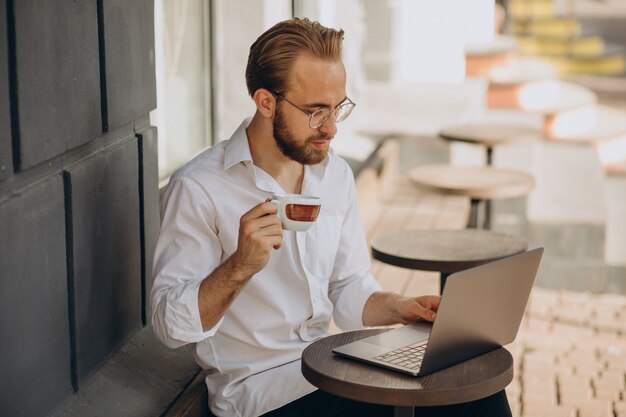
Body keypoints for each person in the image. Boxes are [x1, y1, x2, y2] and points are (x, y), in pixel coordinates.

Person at [151, 17, 512, 417]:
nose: (332, 128)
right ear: (266, 101)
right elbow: (169, 327)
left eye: (338, 108)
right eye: (315, 111)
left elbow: (346, 285)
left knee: (473, 388)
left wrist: (399, 306)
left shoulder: (333, 174)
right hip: (261, 391)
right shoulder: (200, 187)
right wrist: (239, 267)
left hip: (331, 366)